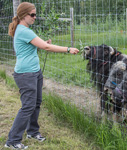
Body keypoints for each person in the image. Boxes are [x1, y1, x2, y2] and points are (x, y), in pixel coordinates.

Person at [5, 2, 79, 149]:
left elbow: (36, 45)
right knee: (28, 106)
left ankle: (32, 131)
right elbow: (46, 47)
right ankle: (12, 141)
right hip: (26, 74)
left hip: (35, 72)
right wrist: (68, 49)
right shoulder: (24, 30)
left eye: (35, 14)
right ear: (22, 15)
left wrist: (42, 43)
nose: (35, 17)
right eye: (32, 15)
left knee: (36, 103)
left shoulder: (25, 29)